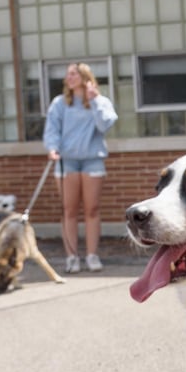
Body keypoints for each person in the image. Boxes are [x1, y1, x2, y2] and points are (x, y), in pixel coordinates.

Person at [45, 63, 118, 273]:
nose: (70, 77)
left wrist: (94, 100)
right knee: (69, 210)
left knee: (92, 209)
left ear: (85, 76)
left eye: (74, 73)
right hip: (66, 161)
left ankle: (92, 255)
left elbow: (105, 125)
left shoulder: (101, 101)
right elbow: (52, 130)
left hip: (92, 160)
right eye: (68, 74)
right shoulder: (59, 103)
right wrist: (52, 148)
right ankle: (72, 257)